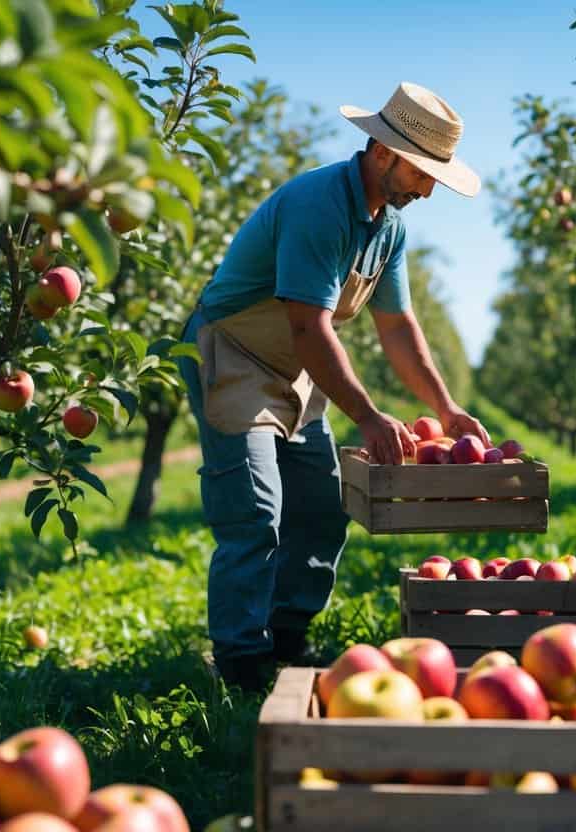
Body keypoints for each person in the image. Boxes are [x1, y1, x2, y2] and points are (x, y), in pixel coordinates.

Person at [177, 81, 491, 691]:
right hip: (236, 354)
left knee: (323, 508)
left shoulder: (388, 228)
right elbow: (307, 324)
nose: (428, 189)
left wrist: (446, 408)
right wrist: (369, 416)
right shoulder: (319, 204)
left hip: (296, 368)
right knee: (255, 510)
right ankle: (241, 663)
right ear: (383, 152)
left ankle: (288, 637)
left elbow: (398, 326)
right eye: (423, 173)